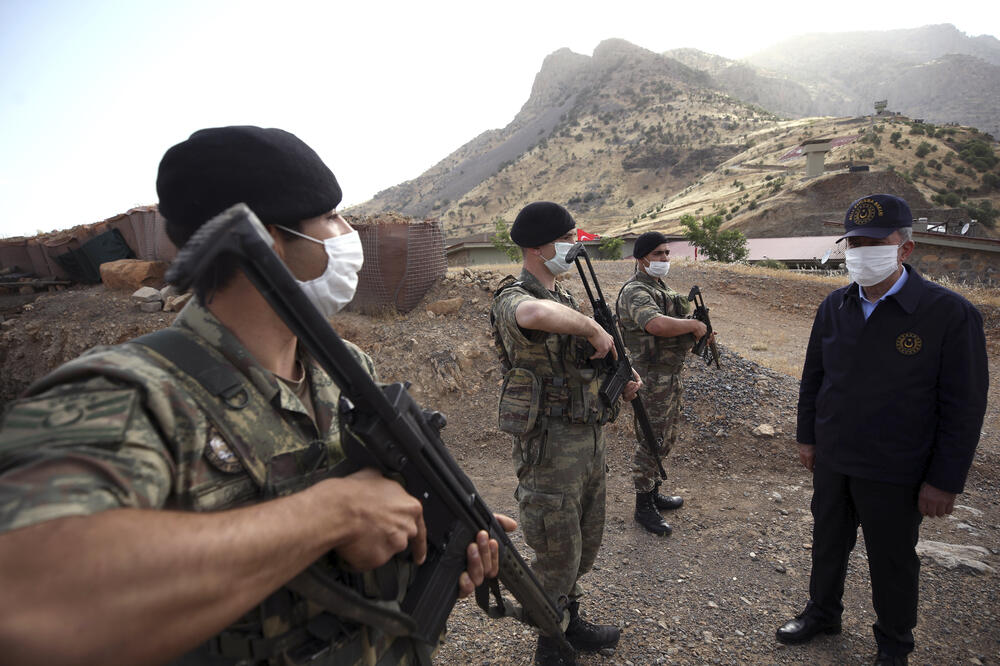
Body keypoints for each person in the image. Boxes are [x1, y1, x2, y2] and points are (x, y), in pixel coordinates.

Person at [0, 126, 516, 666]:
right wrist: (327, 515)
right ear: (270, 240)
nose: (348, 233)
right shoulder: (128, 392)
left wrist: (430, 546)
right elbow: (30, 602)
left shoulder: (346, 372)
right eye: (332, 218)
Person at [775, 194, 988, 665]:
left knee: (891, 560)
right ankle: (822, 613)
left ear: (905, 249)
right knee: (828, 542)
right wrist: (808, 438)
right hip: (835, 457)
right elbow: (814, 378)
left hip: (897, 467)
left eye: (874, 242)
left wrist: (944, 480)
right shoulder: (835, 305)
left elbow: (965, 407)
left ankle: (894, 643)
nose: (860, 251)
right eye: (854, 242)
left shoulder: (949, 314)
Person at [490, 201, 640, 666]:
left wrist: (622, 380)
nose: (574, 247)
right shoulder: (514, 296)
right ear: (537, 247)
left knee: (582, 541)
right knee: (556, 546)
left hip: (588, 439)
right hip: (550, 446)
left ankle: (569, 618)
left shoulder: (567, 299)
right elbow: (531, 315)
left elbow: (583, 366)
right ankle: (549, 643)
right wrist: (594, 328)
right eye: (566, 238)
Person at [615, 231, 709, 536]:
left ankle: (653, 491)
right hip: (650, 376)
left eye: (667, 253)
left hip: (669, 374)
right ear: (641, 258)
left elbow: (672, 321)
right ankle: (644, 505)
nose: (665, 259)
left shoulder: (659, 287)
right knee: (651, 440)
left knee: (666, 437)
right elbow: (654, 324)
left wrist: (698, 331)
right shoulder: (635, 291)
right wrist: (694, 325)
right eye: (658, 254)